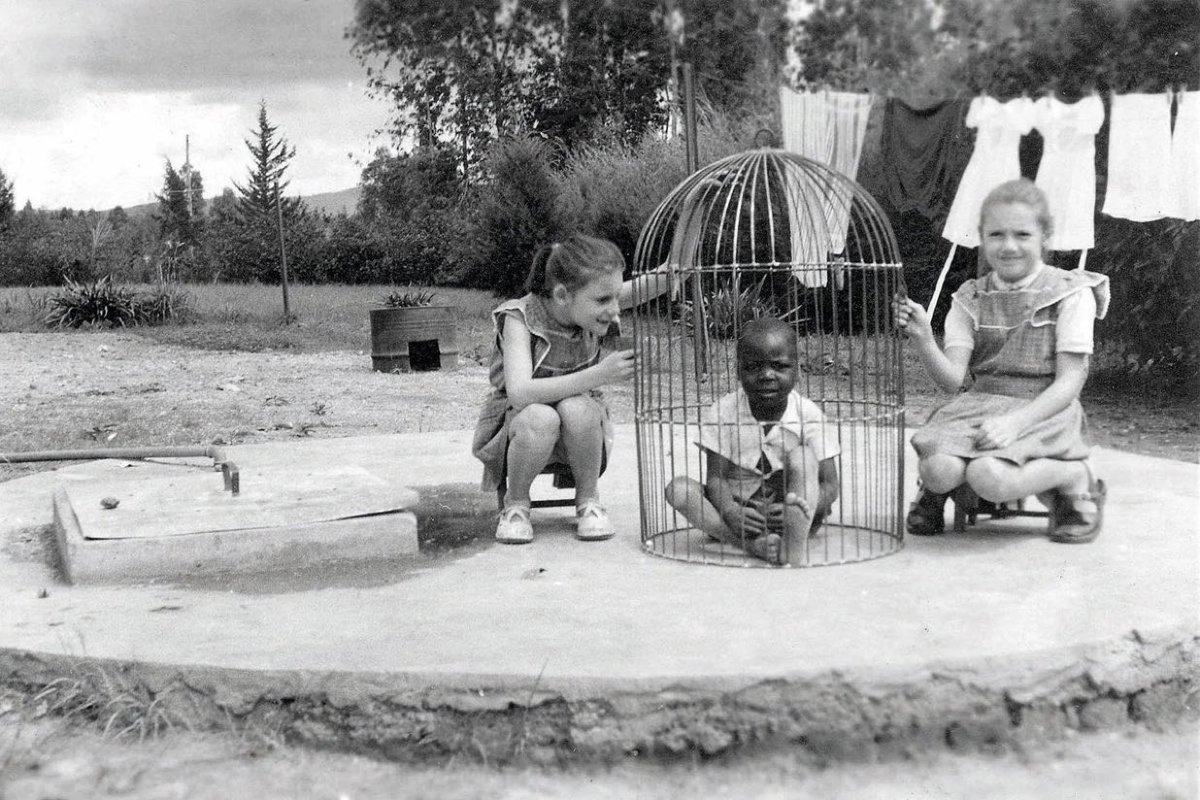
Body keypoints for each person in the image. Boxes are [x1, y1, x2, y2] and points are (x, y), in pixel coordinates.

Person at [893, 178, 1110, 543]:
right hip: (979, 404)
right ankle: (939, 488)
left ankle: (1073, 477)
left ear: (1045, 237)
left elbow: (1070, 381)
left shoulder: (1070, 293)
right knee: (937, 469)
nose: (1008, 246)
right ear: (982, 237)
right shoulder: (970, 296)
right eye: (996, 235)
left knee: (989, 477)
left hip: (1044, 409)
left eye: (1022, 235)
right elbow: (951, 381)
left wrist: (1015, 423)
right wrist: (924, 338)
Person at [472, 234, 670, 545]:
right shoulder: (518, 318)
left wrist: (692, 209)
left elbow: (672, 275)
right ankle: (516, 506)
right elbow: (520, 393)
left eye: (618, 297)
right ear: (563, 295)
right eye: (605, 301)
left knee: (577, 408)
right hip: (517, 430)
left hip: (579, 433)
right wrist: (600, 374)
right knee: (541, 417)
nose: (616, 310)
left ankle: (588, 501)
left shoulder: (590, 296)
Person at [664, 317, 840, 565]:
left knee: (802, 457)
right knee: (678, 489)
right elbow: (716, 478)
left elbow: (831, 485)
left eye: (779, 366)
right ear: (738, 371)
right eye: (754, 367)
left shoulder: (808, 414)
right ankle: (750, 546)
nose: (767, 375)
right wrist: (730, 511)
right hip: (742, 519)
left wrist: (807, 505)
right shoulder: (724, 411)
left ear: (797, 371)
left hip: (795, 509)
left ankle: (793, 537)